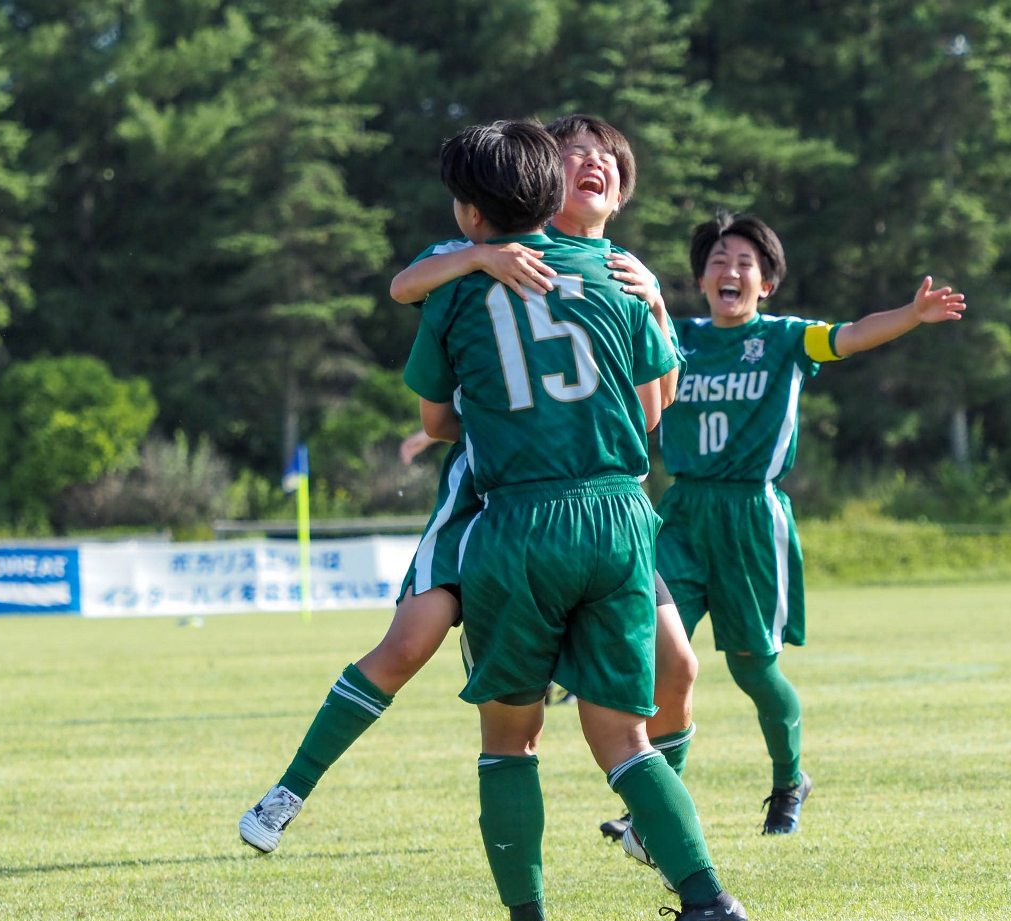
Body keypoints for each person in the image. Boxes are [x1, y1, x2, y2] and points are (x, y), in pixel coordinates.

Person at [240, 115, 699, 858]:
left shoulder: (620, 273)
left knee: (678, 665)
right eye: (573, 153)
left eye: (606, 157)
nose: (591, 163)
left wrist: (656, 304)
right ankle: (287, 791)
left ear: (621, 191)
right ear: (541, 181)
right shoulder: (475, 256)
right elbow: (406, 290)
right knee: (410, 645)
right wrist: (481, 257)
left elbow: (650, 409)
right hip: (487, 499)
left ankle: (649, 828)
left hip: (596, 504)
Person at [405, 117, 745, 921]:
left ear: (471, 212)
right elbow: (654, 408)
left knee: (508, 734)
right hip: (621, 516)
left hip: (523, 519)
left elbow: (437, 422)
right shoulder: (620, 278)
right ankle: (705, 901)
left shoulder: (457, 285)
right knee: (623, 735)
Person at [656, 212, 965, 835]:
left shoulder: (786, 339)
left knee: (751, 667)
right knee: (661, 656)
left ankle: (788, 780)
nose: (730, 271)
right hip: (681, 513)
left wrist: (910, 315)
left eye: (745, 263)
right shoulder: (674, 338)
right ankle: (656, 805)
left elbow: (852, 335)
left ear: (766, 283)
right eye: (718, 261)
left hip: (749, 516)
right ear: (701, 279)